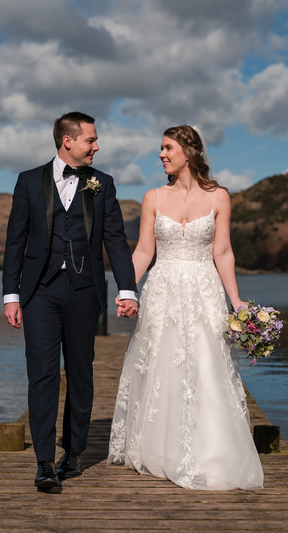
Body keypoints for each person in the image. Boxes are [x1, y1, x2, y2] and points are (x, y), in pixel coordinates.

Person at [107, 125, 264, 490]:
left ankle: (211, 451)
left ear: (189, 151)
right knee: (161, 362)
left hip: (204, 288)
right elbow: (144, 251)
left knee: (205, 365)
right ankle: (159, 449)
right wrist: (127, 291)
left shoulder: (219, 197)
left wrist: (236, 300)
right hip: (162, 289)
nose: (160, 154)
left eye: (167, 148)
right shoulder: (153, 198)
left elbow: (222, 251)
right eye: (160, 149)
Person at [3, 111, 138, 493]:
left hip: (83, 291)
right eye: (91, 140)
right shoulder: (28, 181)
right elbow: (16, 241)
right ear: (68, 141)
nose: (97, 146)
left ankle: (74, 451)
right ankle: (44, 462)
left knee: (80, 371)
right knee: (42, 373)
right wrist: (11, 294)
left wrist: (126, 289)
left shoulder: (102, 184)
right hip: (39, 292)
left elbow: (115, 240)